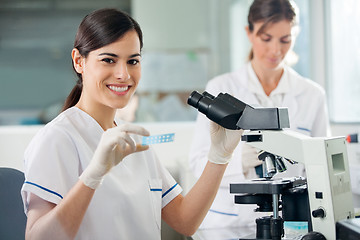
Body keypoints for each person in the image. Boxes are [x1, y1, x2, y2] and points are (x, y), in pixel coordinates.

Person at [20, 8, 243, 240]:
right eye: (109, 60)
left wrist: (219, 157)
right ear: (79, 61)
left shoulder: (134, 140)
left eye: (133, 61)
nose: (123, 74)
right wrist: (92, 176)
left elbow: (185, 221)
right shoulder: (58, 138)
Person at [189, 0, 331, 231]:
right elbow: (196, 164)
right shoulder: (221, 87)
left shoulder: (312, 95)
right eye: (266, 38)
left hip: (291, 221)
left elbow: (321, 165)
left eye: (285, 39)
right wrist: (237, 160)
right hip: (227, 221)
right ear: (249, 32)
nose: (276, 50)